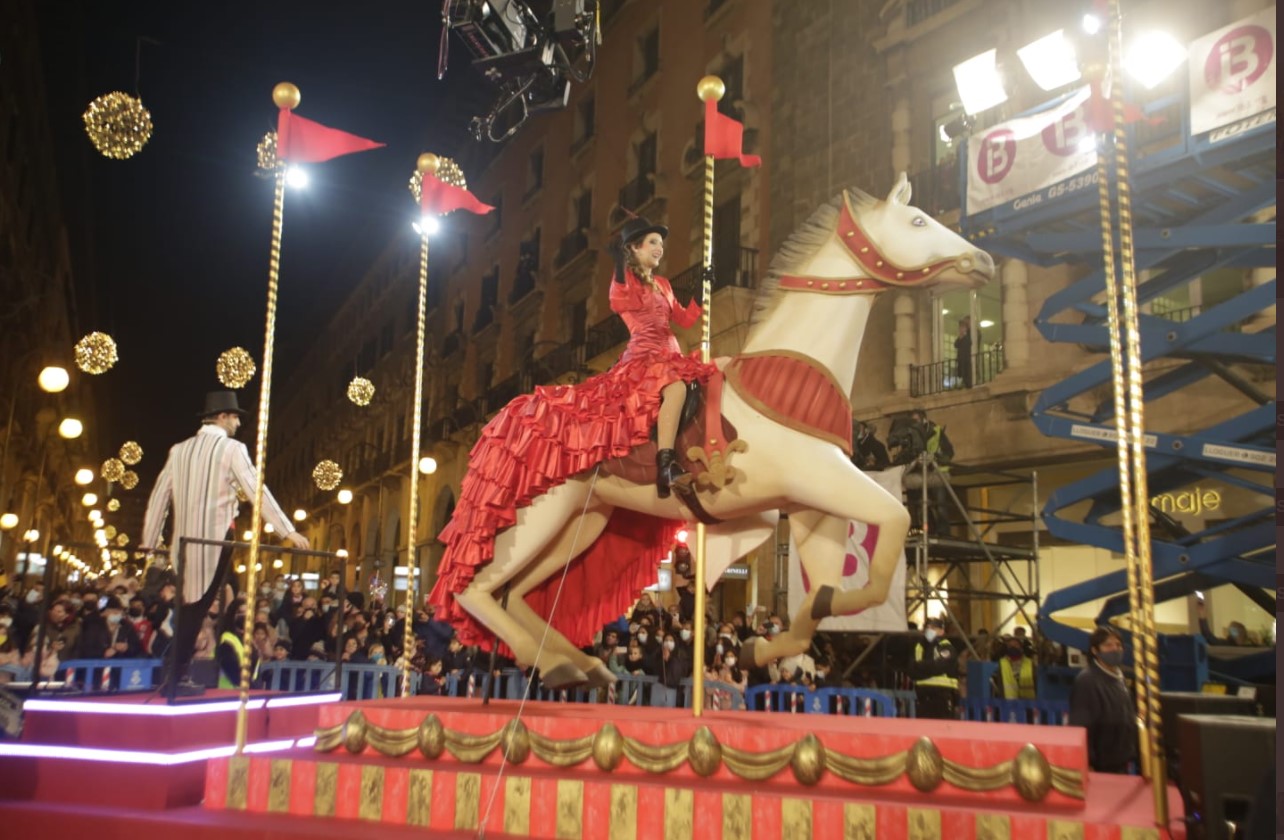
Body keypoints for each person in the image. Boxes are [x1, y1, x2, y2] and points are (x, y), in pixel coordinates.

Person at [428, 216, 714, 653]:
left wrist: (699, 296)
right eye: (652, 242)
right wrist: (620, 259)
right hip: (646, 359)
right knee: (674, 386)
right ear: (635, 248)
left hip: (671, 352)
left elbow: (680, 317)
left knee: (695, 385)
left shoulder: (664, 285)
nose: (659, 249)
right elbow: (620, 299)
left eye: (661, 243)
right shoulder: (627, 286)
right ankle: (664, 460)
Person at [141, 390, 309, 694]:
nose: (236, 423)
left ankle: (176, 674)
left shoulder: (178, 450)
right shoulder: (231, 448)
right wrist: (287, 530)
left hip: (182, 543)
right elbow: (256, 490)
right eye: (234, 417)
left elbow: (159, 496)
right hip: (217, 537)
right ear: (221, 417)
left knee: (189, 607)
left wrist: (149, 539)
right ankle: (177, 677)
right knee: (198, 608)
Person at [1069, 626, 1137, 773]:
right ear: (1095, 650)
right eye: (1108, 645)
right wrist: (1087, 762)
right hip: (1101, 764)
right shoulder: (1087, 681)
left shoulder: (1120, 677)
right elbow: (1080, 725)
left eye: (1118, 645)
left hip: (1121, 759)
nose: (1115, 649)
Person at [912, 617, 959, 719]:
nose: (929, 630)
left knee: (943, 726)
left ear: (941, 631)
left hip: (942, 693)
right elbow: (912, 669)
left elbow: (941, 666)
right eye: (927, 628)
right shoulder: (920, 646)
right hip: (923, 694)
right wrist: (930, 666)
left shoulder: (946, 646)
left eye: (933, 628)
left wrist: (923, 666)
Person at [995, 635, 1036, 700]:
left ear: (1021, 647)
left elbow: (1036, 681)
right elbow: (999, 683)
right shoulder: (1001, 663)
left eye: (1016, 645)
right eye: (1010, 646)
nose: (1013, 647)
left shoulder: (1030, 663)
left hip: (1028, 701)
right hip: (1009, 700)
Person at [954, 316, 973, 389]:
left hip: (966, 360)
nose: (961, 329)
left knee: (967, 375)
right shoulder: (960, 338)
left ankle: (967, 384)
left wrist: (963, 336)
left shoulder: (968, 336)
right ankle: (962, 384)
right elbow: (956, 345)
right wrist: (960, 337)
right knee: (961, 374)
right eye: (960, 328)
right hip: (961, 360)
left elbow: (969, 343)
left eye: (962, 327)